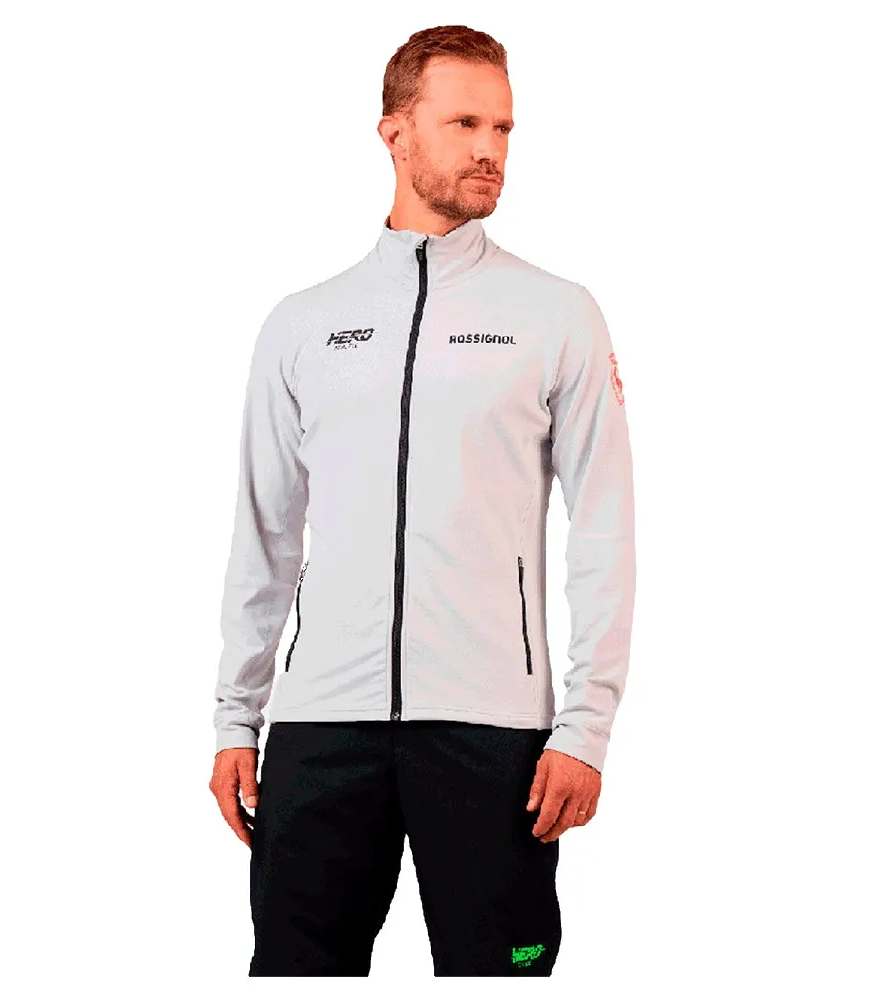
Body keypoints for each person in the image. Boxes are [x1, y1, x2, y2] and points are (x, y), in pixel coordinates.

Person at [208, 24, 637, 977]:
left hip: (496, 737)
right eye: (464, 124)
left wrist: (586, 730)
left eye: (504, 128)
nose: (491, 149)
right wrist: (238, 717)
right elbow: (264, 535)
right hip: (319, 730)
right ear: (395, 133)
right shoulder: (304, 324)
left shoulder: (556, 314)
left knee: (503, 973)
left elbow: (604, 531)